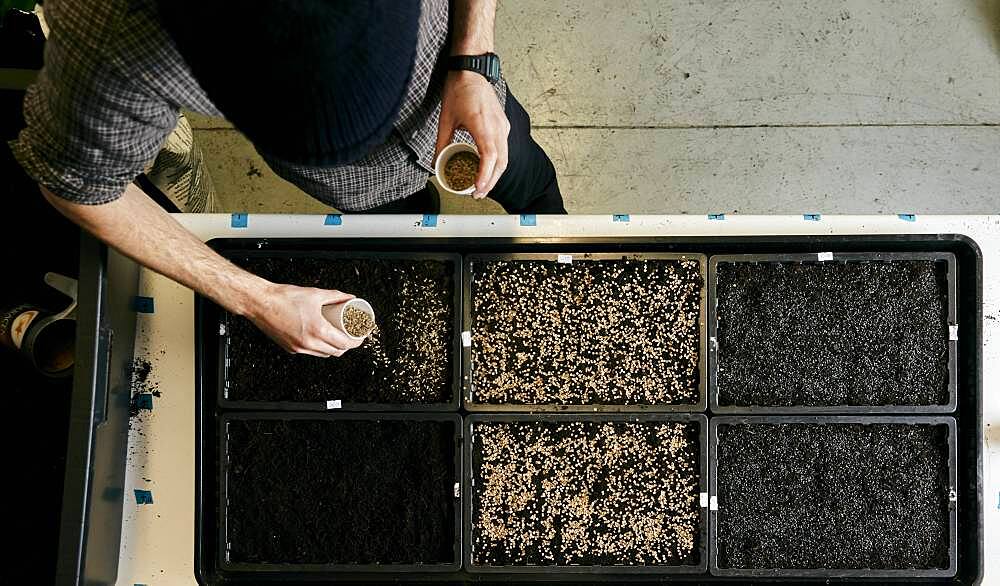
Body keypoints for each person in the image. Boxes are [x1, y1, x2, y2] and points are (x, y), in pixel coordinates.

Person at [10, 0, 565, 358]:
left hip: (456, 82)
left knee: (530, 182)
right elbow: (76, 185)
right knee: (397, 232)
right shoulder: (108, 32)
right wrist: (256, 298)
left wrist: (473, 58)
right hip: (358, 184)